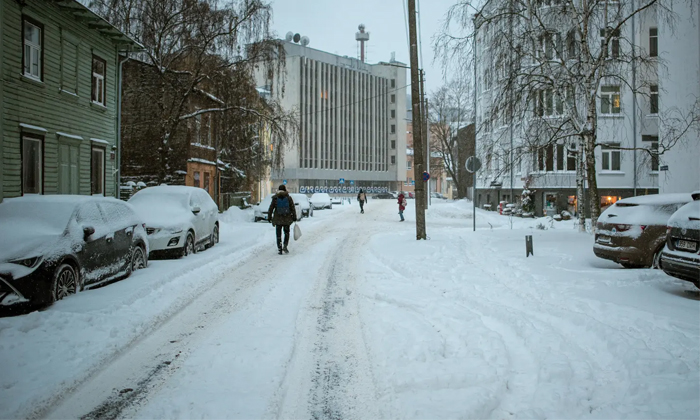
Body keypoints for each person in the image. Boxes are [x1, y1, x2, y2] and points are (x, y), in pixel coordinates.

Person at [268, 185, 297, 254]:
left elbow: (271, 208)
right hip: (287, 219)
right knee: (286, 233)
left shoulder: (275, 198)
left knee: (278, 234)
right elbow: (292, 208)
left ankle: (279, 248)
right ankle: (285, 246)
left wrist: (269, 217)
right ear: (285, 190)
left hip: (278, 219)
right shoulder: (288, 198)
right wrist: (294, 217)